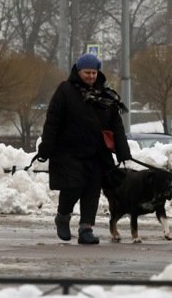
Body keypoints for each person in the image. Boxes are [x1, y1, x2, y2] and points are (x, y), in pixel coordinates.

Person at [37, 53, 131, 244]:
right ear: (78, 71)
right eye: (87, 72)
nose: (90, 76)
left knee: (92, 190)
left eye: (94, 73)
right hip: (68, 152)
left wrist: (123, 152)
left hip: (97, 154)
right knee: (73, 185)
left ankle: (86, 229)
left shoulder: (105, 95)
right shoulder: (65, 91)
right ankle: (63, 217)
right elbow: (53, 120)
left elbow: (116, 125)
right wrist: (46, 147)